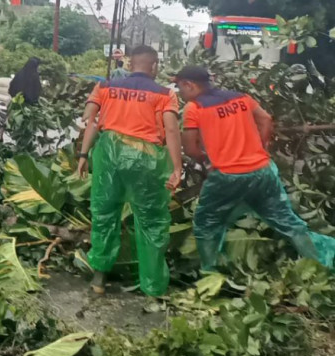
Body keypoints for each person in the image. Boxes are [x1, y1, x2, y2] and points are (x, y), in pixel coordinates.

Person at [175, 65, 335, 270]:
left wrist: (208, 159)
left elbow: (189, 148)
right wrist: (258, 147)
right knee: (288, 222)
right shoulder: (241, 98)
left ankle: (211, 273)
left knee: (207, 223)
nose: (180, 92)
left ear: (189, 84)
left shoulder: (194, 108)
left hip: (227, 176)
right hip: (262, 171)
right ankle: (321, 264)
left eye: (180, 87)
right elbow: (267, 120)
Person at [77, 44, 183, 296]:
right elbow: (171, 130)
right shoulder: (165, 94)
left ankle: (99, 280)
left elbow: (90, 120)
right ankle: (153, 289)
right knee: (151, 220)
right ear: (154, 65)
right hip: (145, 159)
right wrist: (177, 167)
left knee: (104, 214)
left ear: (129, 64)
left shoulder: (105, 87)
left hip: (108, 156)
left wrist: (83, 154)